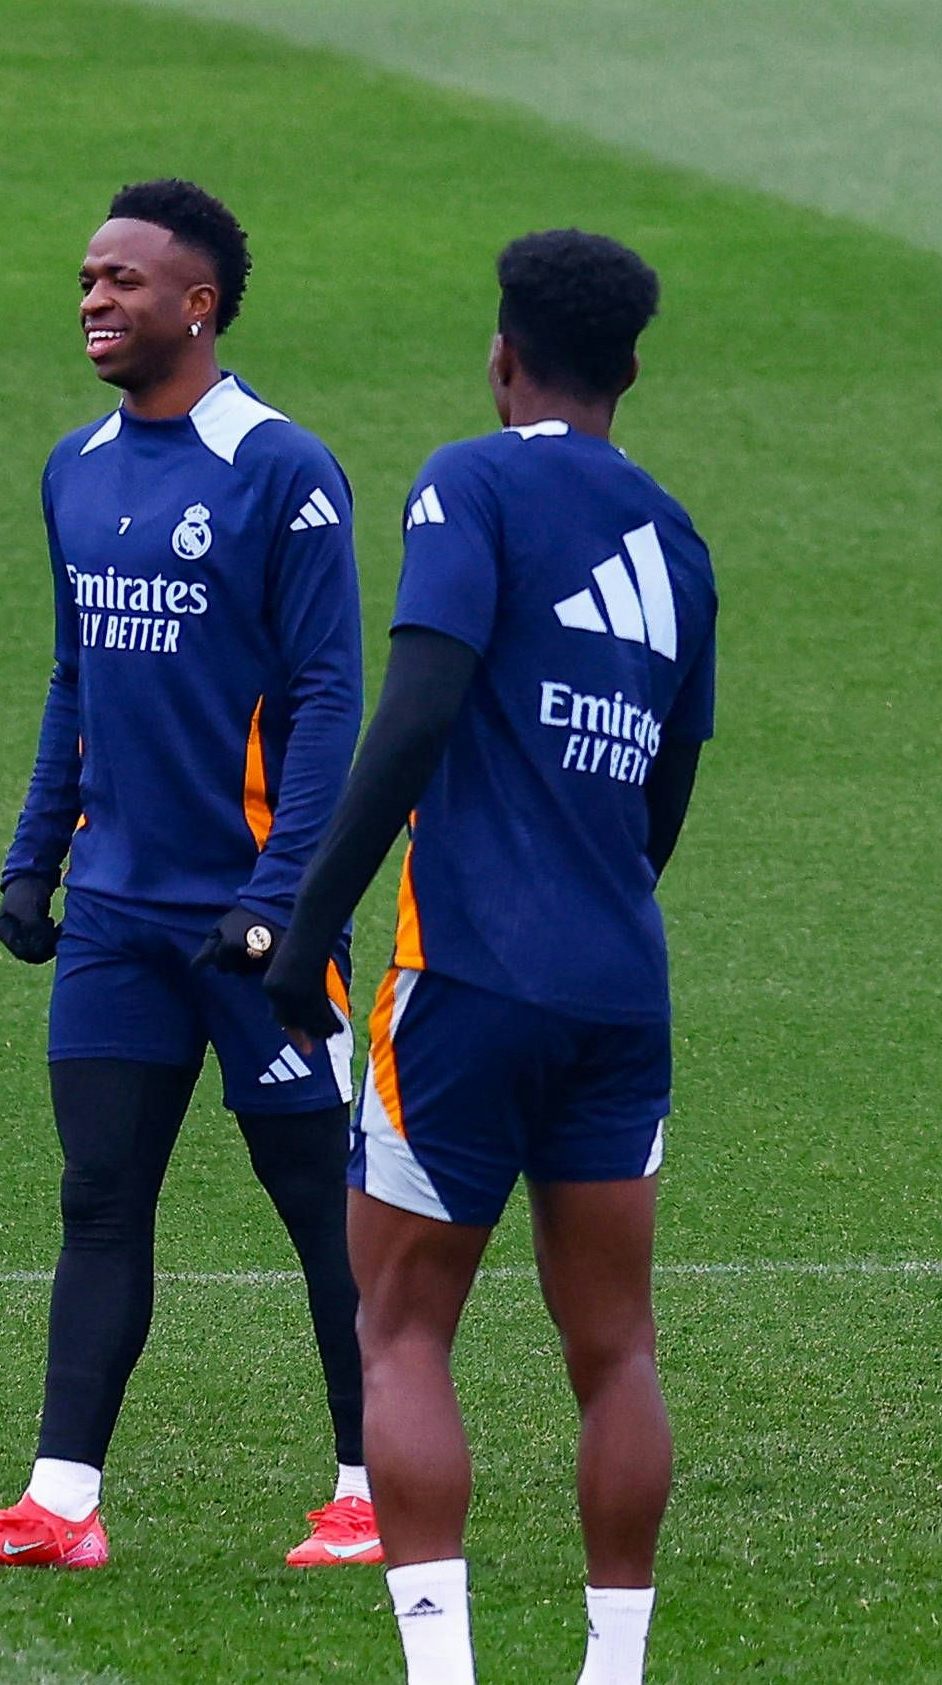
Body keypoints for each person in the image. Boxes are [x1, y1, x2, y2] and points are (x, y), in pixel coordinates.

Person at [250, 229, 708, 1685]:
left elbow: (421, 701)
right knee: (616, 1346)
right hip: (621, 988)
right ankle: (613, 1670)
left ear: (502, 357)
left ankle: (443, 1673)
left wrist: (308, 918)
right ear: (631, 369)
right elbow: (665, 804)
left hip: (465, 986)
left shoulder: (473, 478)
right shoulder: (680, 539)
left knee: (402, 1327)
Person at [0, 180, 373, 1570]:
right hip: (115, 920)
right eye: (86, 279)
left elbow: (332, 706)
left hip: (255, 933)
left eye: (123, 280)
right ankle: (59, 1504)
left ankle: (373, 1486)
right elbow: (77, 680)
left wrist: (283, 903)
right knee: (101, 1198)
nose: (95, 300)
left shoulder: (285, 471)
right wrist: (32, 854)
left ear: (199, 303)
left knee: (328, 1214)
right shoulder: (77, 466)